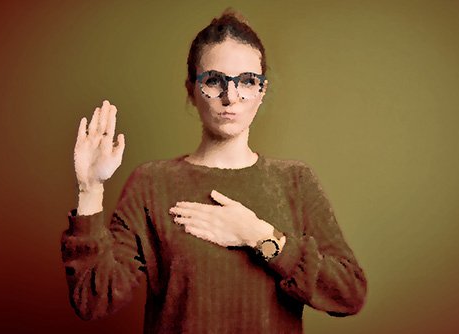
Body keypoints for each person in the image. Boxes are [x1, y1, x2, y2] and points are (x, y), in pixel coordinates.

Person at [61, 8, 367, 334]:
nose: (230, 96)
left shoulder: (295, 181)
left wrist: (260, 236)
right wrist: (90, 189)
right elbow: (93, 300)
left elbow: (348, 293)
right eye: (214, 81)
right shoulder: (152, 183)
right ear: (192, 90)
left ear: (261, 91)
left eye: (247, 81)